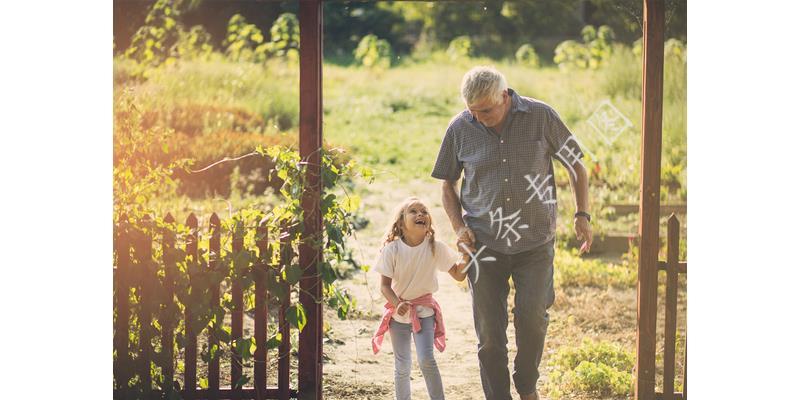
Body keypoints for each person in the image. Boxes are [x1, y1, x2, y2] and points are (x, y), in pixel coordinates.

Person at [431, 66, 593, 400]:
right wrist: (459, 227)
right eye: (473, 111)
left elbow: (576, 163)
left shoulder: (541, 117)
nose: (478, 117)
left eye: (486, 110)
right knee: (490, 334)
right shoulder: (462, 127)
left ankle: (527, 385)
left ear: (504, 97)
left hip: (535, 242)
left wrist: (582, 213)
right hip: (484, 244)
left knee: (532, 318)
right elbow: (447, 184)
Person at [371, 196, 468, 400]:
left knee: (426, 360)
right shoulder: (392, 250)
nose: (420, 214)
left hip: (424, 313)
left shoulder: (435, 247)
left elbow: (459, 275)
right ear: (400, 223)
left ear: (429, 222)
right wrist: (398, 304)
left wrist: (467, 256)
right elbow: (384, 286)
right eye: (413, 211)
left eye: (424, 211)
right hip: (398, 316)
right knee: (402, 365)